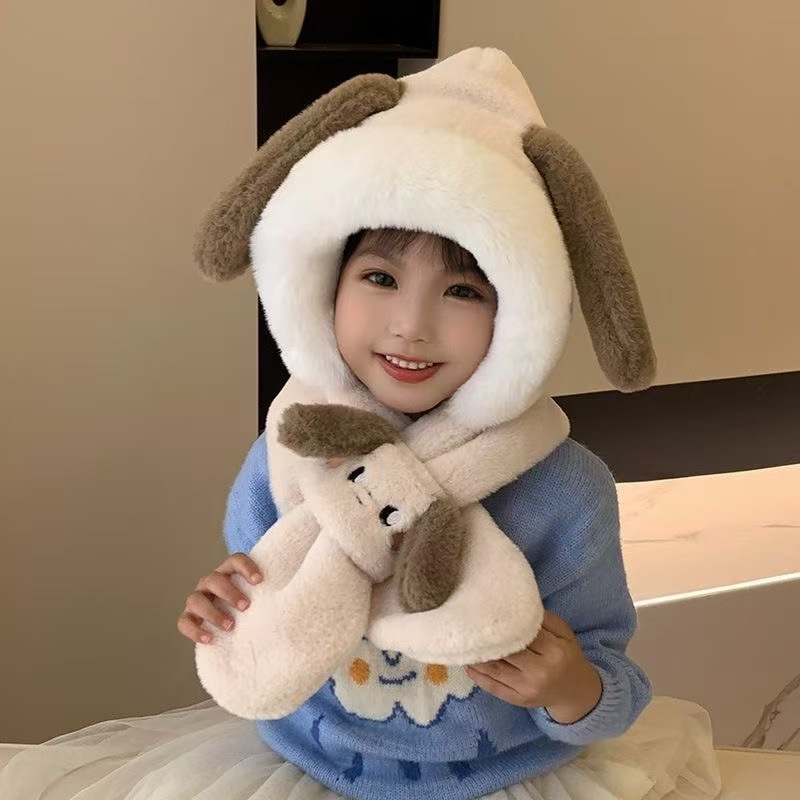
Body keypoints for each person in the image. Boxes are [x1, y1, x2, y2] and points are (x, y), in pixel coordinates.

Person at [0, 48, 721, 800]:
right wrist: (223, 605)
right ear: (324, 285)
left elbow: (612, 682)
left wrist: (569, 686)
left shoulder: (565, 490)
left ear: (520, 313)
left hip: (499, 781)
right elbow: (261, 588)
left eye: (464, 291)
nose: (411, 325)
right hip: (298, 768)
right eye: (380, 277)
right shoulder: (291, 447)